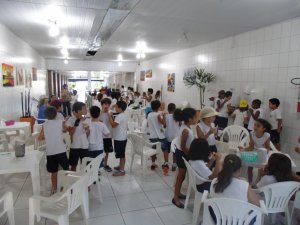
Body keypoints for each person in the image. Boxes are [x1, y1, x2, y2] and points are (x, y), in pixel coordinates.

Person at [38, 106, 69, 194]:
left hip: (50, 152)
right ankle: (66, 186)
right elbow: (65, 130)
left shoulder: (44, 124)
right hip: (61, 150)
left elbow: (40, 138)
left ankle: (54, 188)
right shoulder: (60, 122)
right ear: (56, 115)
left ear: (46, 116)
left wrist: (47, 135)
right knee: (66, 169)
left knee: (53, 172)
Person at [172, 107, 197, 208]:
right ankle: (175, 198)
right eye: (195, 117)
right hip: (182, 154)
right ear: (190, 119)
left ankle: (178, 194)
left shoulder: (185, 126)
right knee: (181, 176)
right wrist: (190, 156)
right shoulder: (186, 130)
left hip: (182, 153)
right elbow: (183, 147)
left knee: (181, 176)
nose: (196, 119)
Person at [240, 119, 271, 184]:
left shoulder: (266, 135)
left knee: (261, 169)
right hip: (254, 151)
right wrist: (243, 149)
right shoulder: (251, 133)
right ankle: (250, 182)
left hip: (263, 152)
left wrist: (264, 154)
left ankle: (258, 183)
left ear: (264, 128)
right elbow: (251, 147)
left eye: (258, 126)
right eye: (255, 125)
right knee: (249, 165)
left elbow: (268, 147)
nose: (255, 127)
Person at [65, 102, 89, 171]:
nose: (86, 110)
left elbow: (88, 135)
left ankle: (85, 179)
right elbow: (71, 133)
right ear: (78, 111)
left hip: (84, 145)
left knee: (85, 165)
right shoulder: (71, 120)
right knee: (73, 165)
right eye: (84, 109)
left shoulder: (87, 120)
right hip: (74, 146)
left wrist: (87, 130)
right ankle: (73, 179)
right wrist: (75, 125)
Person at [147, 100, 168, 171]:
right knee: (165, 149)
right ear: (159, 107)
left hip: (152, 136)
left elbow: (148, 124)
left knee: (153, 150)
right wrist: (164, 116)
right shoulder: (158, 115)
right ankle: (166, 163)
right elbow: (163, 123)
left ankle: (153, 163)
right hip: (160, 136)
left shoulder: (149, 114)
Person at [88, 106, 110, 171]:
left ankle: (91, 172)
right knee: (98, 162)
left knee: (90, 162)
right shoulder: (102, 124)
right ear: (99, 113)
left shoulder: (88, 124)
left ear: (90, 114)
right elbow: (107, 133)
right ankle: (97, 172)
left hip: (90, 147)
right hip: (99, 147)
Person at [108, 101, 128, 176]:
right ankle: (120, 166)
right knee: (121, 153)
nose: (115, 108)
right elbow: (115, 121)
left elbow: (113, 125)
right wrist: (112, 116)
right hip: (121, 137)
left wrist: (110, 116)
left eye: (116, 107)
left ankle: (122, 171)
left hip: (120, 138)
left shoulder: (120, 116)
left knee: (122, 154)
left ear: (120, 108)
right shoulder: (122, 115)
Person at [99, 98, 114, 172]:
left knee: (107, 151)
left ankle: (105, 164)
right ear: (102, 105)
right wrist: (101, 113)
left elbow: (113, 123)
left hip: (108, 135)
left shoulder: (110, 112)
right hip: (100, 135)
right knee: (100, 151)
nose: (106, 106)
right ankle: (99, 165)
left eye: (108, 104)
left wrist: (110, 115)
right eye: (105, 104)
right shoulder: (99, 113)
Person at [165, 103, 180, 172]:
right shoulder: (177, 116)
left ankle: (166, 164)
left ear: (168, 109)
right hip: (175, 137)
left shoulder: (166, 116)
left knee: (166, 150)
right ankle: (174, 165)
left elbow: (164, 125)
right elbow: (180, 125)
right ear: (175, 109)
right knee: (174, 151)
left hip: (167, 135)